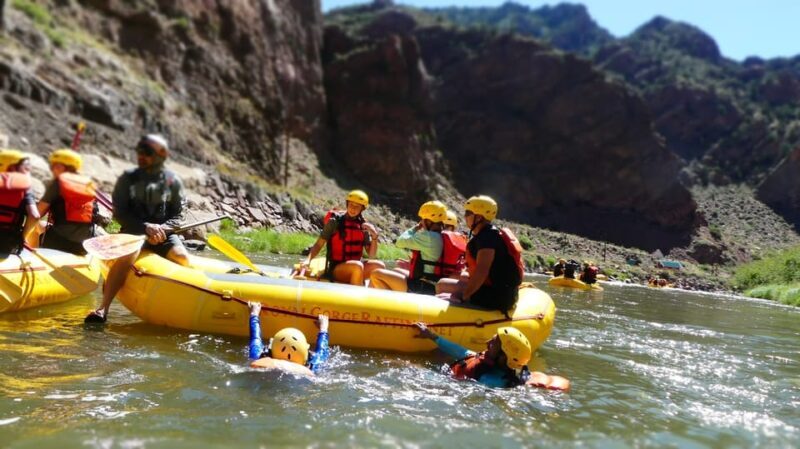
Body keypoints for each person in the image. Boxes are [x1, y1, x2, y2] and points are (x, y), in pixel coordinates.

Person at [85, 134, 190, 323]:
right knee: (127, 257)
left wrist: (161, 229)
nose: (141, 156)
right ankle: (103, 308)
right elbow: (120, 213)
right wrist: (145, 227)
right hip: (133, 231)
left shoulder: (173, 182)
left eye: (147, 152)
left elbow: (180, 216)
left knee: (182, 257)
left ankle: (175, 307)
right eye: (140, 151)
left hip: (163, 233)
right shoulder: (127, 179)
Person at [414, 322, 569, 391]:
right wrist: (431, 336)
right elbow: (462, 352)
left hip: (453, 380)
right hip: (459, 372)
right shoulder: (486, 363)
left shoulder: (489, 381)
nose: (488, 342)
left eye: (493, 343)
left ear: (503, 356)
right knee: (439, 353)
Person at [437, 195, 524, 315]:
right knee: (460, 277)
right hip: (502, 293)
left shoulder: (486, 239)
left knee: (442, 285)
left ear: (478, 217)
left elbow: (482, 272)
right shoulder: (490, 234)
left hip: (496, 298)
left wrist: (463, 297)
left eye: (468, 213)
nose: (465, 216)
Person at [301, 190, 383, 285]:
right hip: (336, 268)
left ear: (362, 209)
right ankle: (356, 296)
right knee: (357, 266)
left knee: (379, 266)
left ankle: (371, 295)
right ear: (347, 204)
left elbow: (371, 256)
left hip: (356, 266)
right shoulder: (334, 222)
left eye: (357, 206)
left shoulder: (363, 226)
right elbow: (319, 244)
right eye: (351, 204)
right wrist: (308, 260)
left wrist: (374, 236)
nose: (353, 208)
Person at [28, 149, 97, 255]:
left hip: (59, 241)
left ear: (63, 167)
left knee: (37, 225)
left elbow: (37, 214)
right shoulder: (88, 184)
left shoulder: (58, 183)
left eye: (54, 166)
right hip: (84, 244)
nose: (52, 170)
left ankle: (31, 257)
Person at [369, 201, 446, 294]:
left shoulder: (428, 236)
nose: (421, 221)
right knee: (396, 270)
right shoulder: (440, 235)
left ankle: (390, 305)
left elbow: (400, 242)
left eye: (422, 219)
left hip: (420, 285)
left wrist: (415, 228)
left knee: (376, 274)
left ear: (429, 221)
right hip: (431, 283)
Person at [247, 302, 329, 376]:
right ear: (305, 351)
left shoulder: (259, 358)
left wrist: (254, 313)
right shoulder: (312, 367)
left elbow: (255, 338)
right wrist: (323, 328)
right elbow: (322, 351)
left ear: (271, 348)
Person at [0, 149, 38, 254]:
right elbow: (34, 215)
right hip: (7, 241)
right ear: (12, 166)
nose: (26, 169)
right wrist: (22, 237)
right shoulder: (25, 187)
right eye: (23, 166)